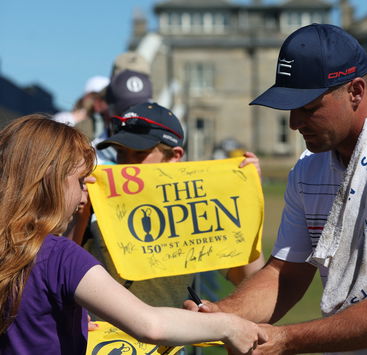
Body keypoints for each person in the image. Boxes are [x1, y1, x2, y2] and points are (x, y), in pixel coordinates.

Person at [185, 23, 367, 355]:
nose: (294, 123)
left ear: (355, 91)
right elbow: (285, 274)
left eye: (308, 108)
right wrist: (218, 316)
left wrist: (286, 339)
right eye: (289, 108)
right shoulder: (309, 168)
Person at [0, 115, 266, 354]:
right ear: (52, 180)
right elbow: (150, 325)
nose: (85, 191)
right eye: (81, 181)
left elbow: (253, 277)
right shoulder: (60, 254)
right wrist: (229, 326)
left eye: (137, 154)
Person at [82, 102, 264, 310]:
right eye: (121, 153)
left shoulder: (198, 209)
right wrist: (79, 208)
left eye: (139, 153)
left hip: (170, 340)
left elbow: (250, 279)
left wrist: (245, 194)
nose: (126, 164)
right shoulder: (96, 201)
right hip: (99, 340)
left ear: (174, 157)